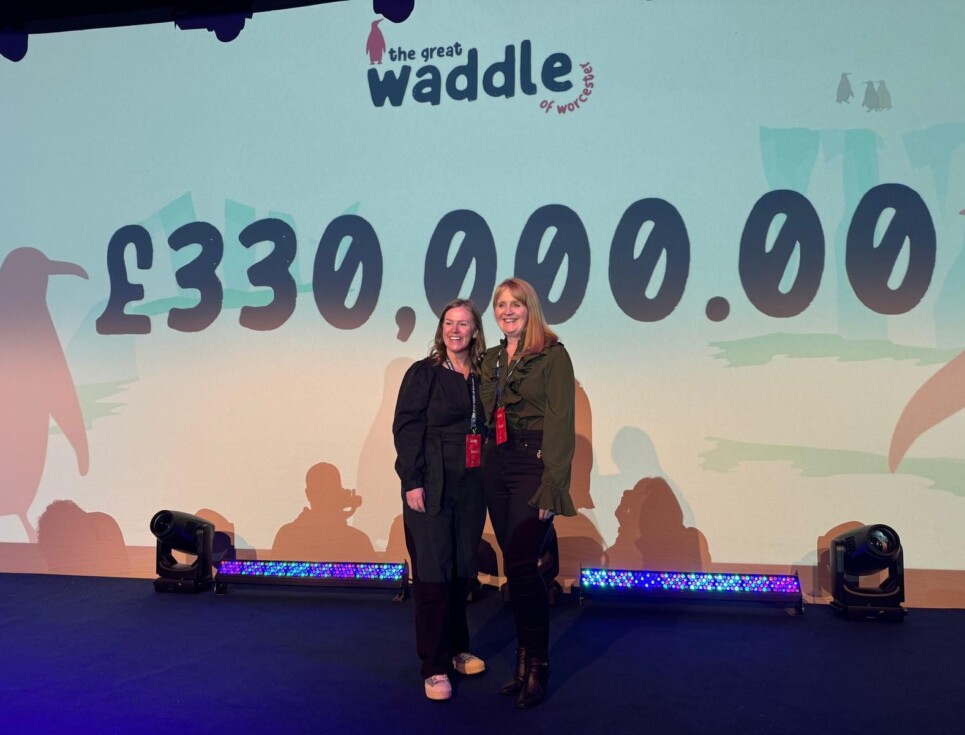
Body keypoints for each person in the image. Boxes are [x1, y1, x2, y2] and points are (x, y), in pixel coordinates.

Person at [480, 277, 576, 709]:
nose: (507, 310)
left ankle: (539, 664)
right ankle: (522, 658)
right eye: (501, 304)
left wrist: (553, 484)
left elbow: (561, 421)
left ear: (530, 308)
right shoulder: (492, 358)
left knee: (522, 565)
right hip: (495, 462)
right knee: (514, 567)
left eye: (515, 304)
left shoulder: (553, 356)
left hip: (533, 464)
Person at [392, 298, 488, 702]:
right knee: (433, 571)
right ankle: (434, 666)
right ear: (441, 329)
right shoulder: (425, 373)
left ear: (474, 330)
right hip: (430, 482)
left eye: (463, 324)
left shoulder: (484, 374)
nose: (455, 330)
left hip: (472, 485)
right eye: (449, 323)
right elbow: (406, 428)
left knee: (463, 568)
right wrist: (412, 480)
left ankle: (456, 647)